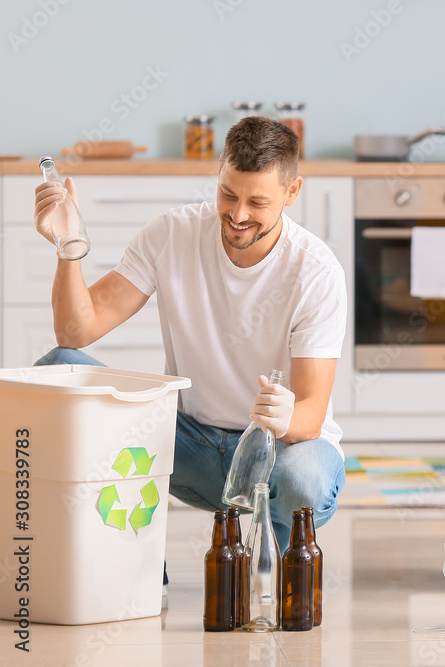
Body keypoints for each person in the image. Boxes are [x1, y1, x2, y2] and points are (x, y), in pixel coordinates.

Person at [31, 117, 348, 550]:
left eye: (257, 202)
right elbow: (75, 332)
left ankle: (275, 573)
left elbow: (312, 413)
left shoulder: (315, 270)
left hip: (275, 454)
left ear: (291, 192)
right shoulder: (172, 233)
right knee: (58, 370)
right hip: (188, 446)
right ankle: (129, 568)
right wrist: (68, 244)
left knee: (302, 478)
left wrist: (284, 417)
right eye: (228, 194)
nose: (237, 215)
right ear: (219, 169)